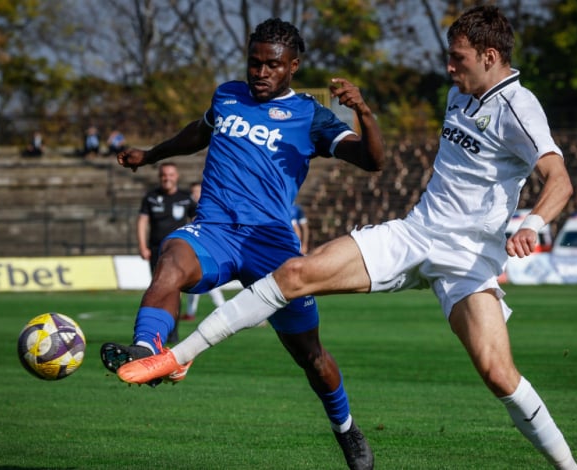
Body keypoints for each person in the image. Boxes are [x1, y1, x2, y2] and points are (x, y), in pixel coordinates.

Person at [117, 7, 577, 469]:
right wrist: (151, 155)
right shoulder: (460, 94)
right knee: (293, 274)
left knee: (498, 375)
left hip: (468, 259)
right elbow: (200, 131)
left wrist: (531, 224)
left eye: (458, 58)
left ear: (489, 56)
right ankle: (172, 355)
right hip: (415, 233)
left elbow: (559, 180)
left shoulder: (518, 107)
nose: (449, 66)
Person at [100, 18, 384, 470]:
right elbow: (197, 133)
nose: (260, 72)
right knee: (170, 260)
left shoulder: (310, 115)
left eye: (272, 65)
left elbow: (372, 160)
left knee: (311, 356)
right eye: (254, 63)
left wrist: (364, 113)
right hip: (214, 229)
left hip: (272, 245)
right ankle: (149, 351)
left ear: (293, 66)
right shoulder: (227, 95)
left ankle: (346, 428)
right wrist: (150, 155)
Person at [137, 162, 196, 342]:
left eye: (170, 174)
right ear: (159, 177)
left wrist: (194, 244)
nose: (167, 178)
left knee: (175, 290)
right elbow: (142, 222)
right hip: (156, 250)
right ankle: (157, 332)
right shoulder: (151, 197)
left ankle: (173, 332)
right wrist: (142, 246)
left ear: (176, 176)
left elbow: (197, 219)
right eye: (164, 175)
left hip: (179, 252)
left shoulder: (186, 198)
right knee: (158, 290)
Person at [183, 181, 226, 321]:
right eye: (193, 192)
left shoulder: (209, 207)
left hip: (207, 248)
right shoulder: (189, 208)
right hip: (194, 248)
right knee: (194, 280)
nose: (195, 194)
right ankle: (190, 312)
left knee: (208, 279)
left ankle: (223, 309)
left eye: (198, 191)